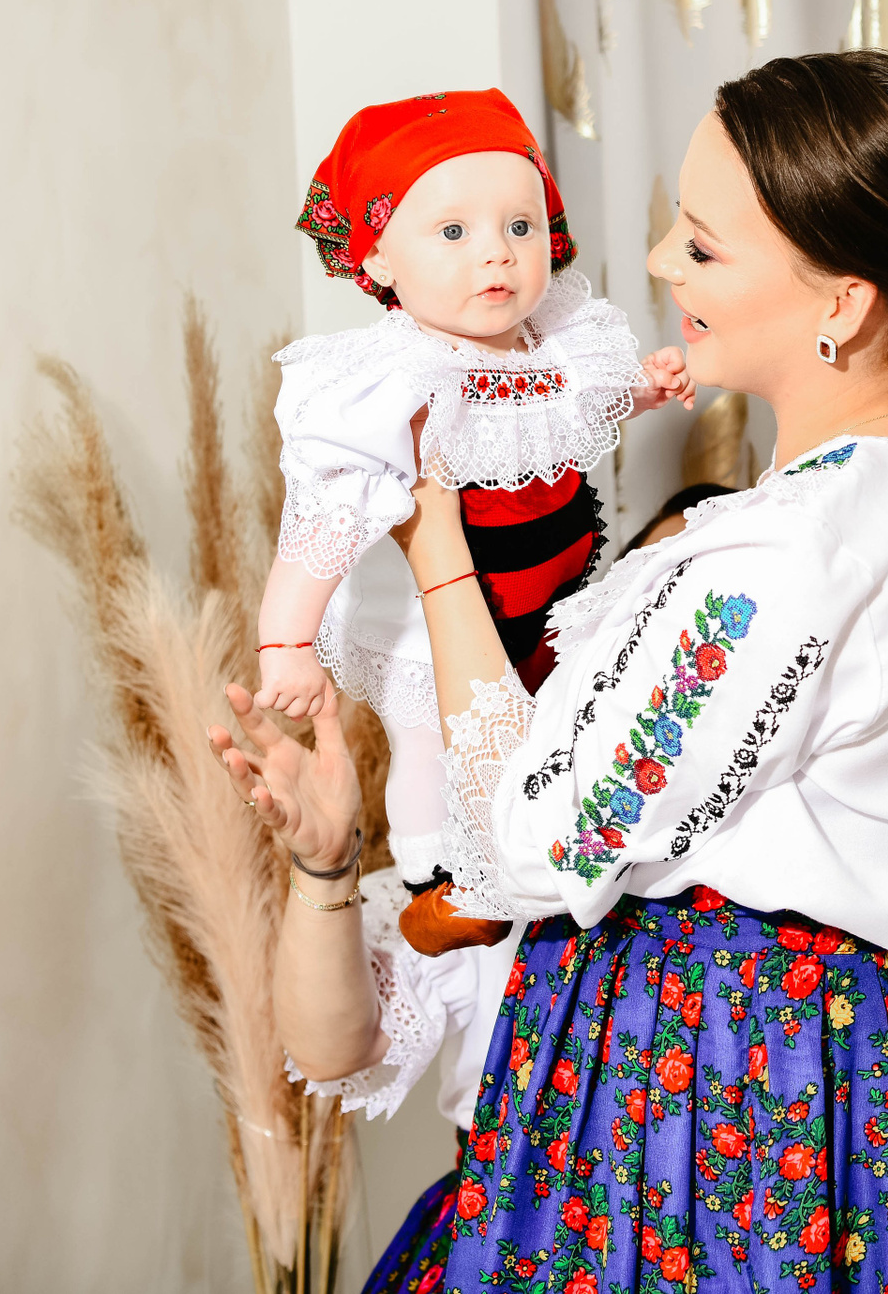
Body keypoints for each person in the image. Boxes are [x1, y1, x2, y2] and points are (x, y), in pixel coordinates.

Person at [210, 51, 888, 1293]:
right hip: (869, 1067)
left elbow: (533, 842)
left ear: (843, 300)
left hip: (726, 1093)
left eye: (701, 245)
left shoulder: (789, 551)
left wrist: (436, 542)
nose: (660, 265)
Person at [254, 88, 692, 926]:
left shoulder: (555, 341)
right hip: (434, 615)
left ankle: (530, 852)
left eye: (519, 226)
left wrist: (644, 388)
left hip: (546, 585)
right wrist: (287, 641)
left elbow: (578, 403)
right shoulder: (392, 379)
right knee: (429, 735)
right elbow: (324, 519)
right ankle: (437, 876)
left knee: (540, 725)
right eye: (453, 232)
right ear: (379, 260)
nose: (497, 252)